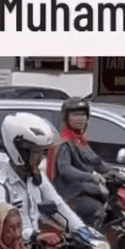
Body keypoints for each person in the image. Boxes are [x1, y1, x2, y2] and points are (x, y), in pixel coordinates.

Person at [0, 112, 87, 244]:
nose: (40, 159)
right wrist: (34, 237)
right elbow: (4, 228)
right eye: (37, 152)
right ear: (21, 152)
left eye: (42, 152)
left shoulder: (37, 179)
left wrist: (81, 230)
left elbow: (59, 206)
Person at [48, 97, 112, 230]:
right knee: (96, 210)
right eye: (75, 114)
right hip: (70, 194)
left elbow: (96, 162)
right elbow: (65, 169)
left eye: (83, 114)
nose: (80, 118)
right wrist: (90, 176)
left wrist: (116, 172)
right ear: (67, 118)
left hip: (85, 190)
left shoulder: (81, 141)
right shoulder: (65, 143)